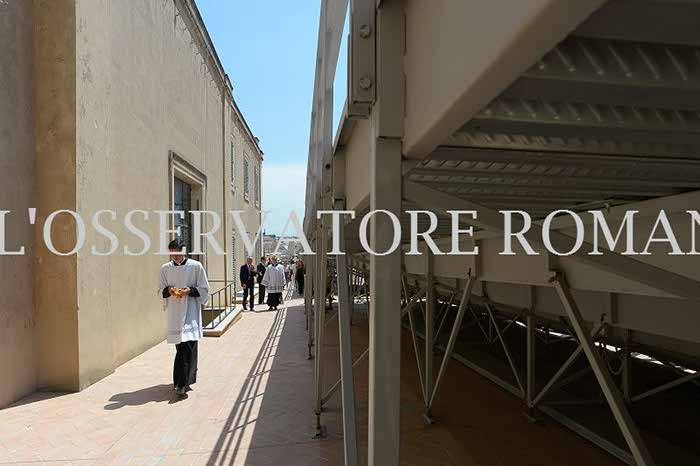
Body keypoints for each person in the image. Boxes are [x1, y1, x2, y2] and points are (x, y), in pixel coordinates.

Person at [158, 238, 210, 397]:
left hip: (191, 312)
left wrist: (190, 291)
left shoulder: (196, 266)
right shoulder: (165, 269)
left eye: (178, 253)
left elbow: (204, 289)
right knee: (181, 348)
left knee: (187, 347)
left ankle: (181, 383)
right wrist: (169, 290)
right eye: (172, 254)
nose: (175, 257)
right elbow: (160, 290)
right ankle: (184, 381)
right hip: (175, 314)